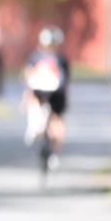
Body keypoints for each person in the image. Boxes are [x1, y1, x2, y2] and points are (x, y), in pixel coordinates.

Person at [22, 26, 70, 166]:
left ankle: (54, 152)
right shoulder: (37, 57)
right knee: (37, 107)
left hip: (56, 93)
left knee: (57, 123)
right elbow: (28, 77)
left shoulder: (59, 59)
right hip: (41, 91)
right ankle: (35, 127)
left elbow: (65, 82)